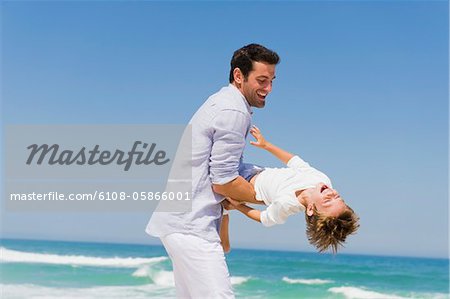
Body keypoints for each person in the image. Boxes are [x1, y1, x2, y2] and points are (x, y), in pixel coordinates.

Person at [145, 44, 280, 298]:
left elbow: (226, 170)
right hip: (192, 226)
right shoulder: (233, 111)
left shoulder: (224, 102)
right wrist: (282, 197)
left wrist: (263, 176)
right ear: (239, 76)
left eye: (272, 81)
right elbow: (224, 181)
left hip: (182, 223)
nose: (268, 89)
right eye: (262, 80)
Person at [221, 125, 360, 253]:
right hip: (256, 170)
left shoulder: (287, 205)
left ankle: (227, 215)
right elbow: (295, 162)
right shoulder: (321, 180)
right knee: (222, 195)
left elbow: (264, 218)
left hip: (247, 188)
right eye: (338, 197)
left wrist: (239, 206)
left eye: (328, 200)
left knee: (217, 174)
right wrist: (266, 145)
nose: (332, 192)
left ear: (311, 209)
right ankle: (225, 215)